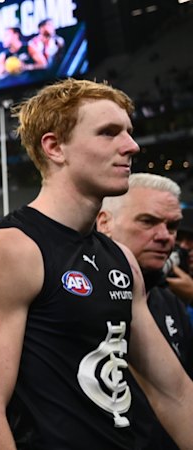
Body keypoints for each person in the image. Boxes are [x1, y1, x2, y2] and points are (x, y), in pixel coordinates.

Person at [0, 78, 193, 449]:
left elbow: (175, 392)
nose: (131, 146)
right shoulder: (12, 249)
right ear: (54, 147)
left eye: (128, 132)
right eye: (108, 133)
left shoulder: (121, 259)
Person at [97, 172, 193, 450]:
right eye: (148, 221)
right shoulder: (71, 303)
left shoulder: (171, 302)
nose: (165, 237)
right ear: (105, 223)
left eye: (172, 226)